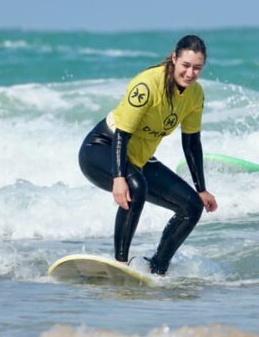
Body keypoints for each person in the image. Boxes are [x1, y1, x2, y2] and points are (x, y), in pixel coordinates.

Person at [78, 34, 218, 275]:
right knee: (136, 185)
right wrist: (119, 177)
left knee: (192, 206)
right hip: (103, 148)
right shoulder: (147, 84)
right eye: (185, 65)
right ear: (174, 58)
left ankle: (158, 267)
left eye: (197, 68)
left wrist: (201, 187)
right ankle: (120, 263)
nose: (190, 73)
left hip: (139, 159)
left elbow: (192, 142)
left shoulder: (195, 95)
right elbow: (122, 132)